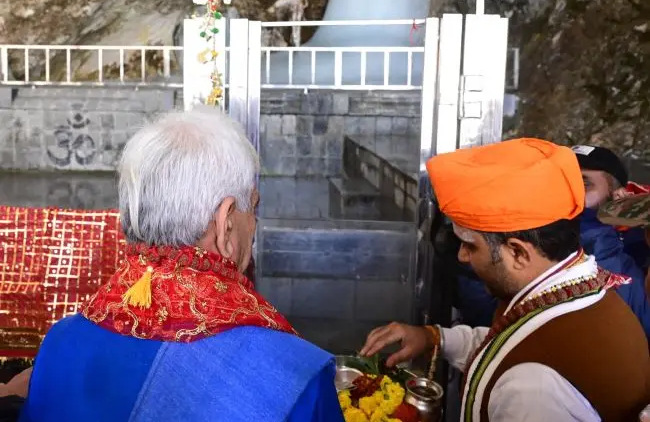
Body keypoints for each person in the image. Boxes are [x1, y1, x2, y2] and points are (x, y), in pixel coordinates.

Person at [19, 107, 343, 422]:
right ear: (225, 222)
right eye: (253, 208)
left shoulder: (59, 344)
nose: (254, 224)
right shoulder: (291, 379)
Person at [361, 138, 650, 422]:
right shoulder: (578, 289)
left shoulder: (531, 393)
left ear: (518, 253)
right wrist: (435, 338)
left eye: (471, 245)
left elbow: (519, 359)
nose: (462, 255)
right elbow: (508, 341)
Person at [456, 144, 650, 340]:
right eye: (560, 182)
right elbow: (489, 322)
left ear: (618, 197)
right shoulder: (519, 241)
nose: (566, 192)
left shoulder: (630, 271)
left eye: (583, 184)